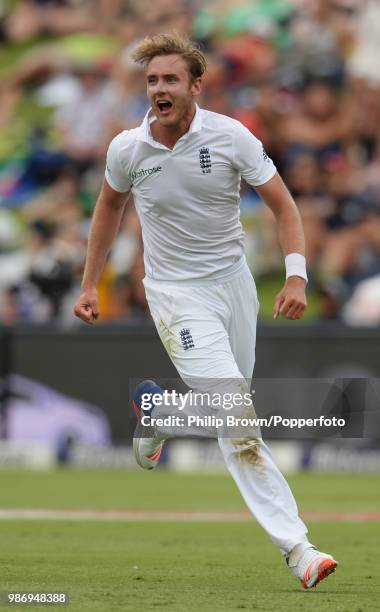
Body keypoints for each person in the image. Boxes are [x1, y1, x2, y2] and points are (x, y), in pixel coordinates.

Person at [74, 32, 338, 590]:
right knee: (237, 421)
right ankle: (298, 549)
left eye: (170, 79)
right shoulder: (127, 148)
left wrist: (296, 273)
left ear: (196, 86)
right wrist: (90, 284)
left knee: (231, 409)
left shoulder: (231, 136)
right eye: (152, 80)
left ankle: (162, 415)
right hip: (174, 293)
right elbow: (107, 210)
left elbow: (285, 207)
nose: (159, 90)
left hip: (234, 287)